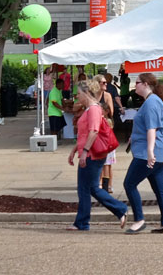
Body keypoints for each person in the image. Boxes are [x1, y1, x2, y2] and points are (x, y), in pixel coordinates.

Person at [67, 79, 129, 231]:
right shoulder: (91, 108)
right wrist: (75, 150)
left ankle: (117, 210)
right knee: (89, 188)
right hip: (90, 153)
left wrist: (84, 152)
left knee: (87, 188)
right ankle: (85, 221)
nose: (77, 96)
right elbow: (85, 133)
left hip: (92, 154)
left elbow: (93, 131)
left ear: (87, 93)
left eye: (79, 93)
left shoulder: (93, 109)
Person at [123, 73, 163, 234]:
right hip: (157, 151)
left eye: (137, 82)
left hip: (148, 152)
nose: (135, 85)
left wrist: (150, 152)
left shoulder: (151, 103)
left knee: (129, 184)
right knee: (160, 189)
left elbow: (152, 129)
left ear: (145, 84)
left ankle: (139, 220)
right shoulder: (153, 101)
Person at [99, 74, 121, 192]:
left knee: (106, 164)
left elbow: (111, 112)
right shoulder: (93, 95)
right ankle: (102, 184)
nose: (106, 84)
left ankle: (107, 185)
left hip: (105, 135)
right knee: (101, 163)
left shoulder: (107, 94)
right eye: (103, 82)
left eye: (105, 82)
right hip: (99, 135)